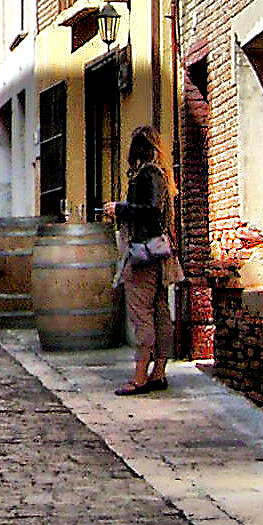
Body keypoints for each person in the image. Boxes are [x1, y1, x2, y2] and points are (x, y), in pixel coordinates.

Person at [115, 124, 181, 394]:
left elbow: (150, 210)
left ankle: (141, 376)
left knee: (141, 312)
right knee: (159, 310)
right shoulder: (163, 173)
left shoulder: (148, 173)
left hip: (145, 252)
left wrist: (119, 208)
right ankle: (159, 371)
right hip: (160, 251)